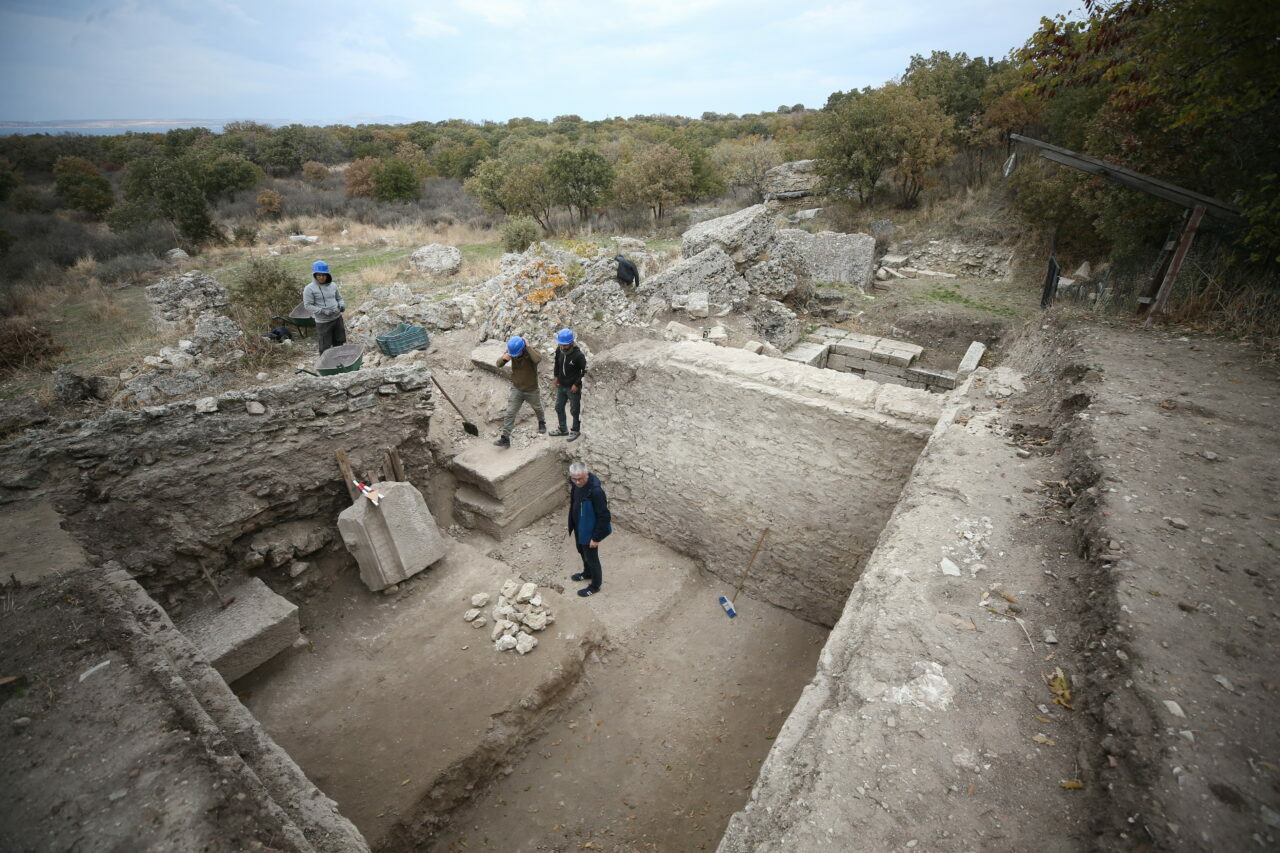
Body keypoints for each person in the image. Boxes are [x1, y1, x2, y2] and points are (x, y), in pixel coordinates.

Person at [493, 335, 546, 448]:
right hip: (517, 388)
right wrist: (504, 358)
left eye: (517, 353)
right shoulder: (512, 352)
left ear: (523, 348)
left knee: (537, 407)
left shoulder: (530, 353)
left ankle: (542, 422)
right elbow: (498, 364)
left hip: (531, 389)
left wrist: (528, 346)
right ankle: (505, 438)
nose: (515, 356)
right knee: (510, 413)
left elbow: (538, 359)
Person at [567, 460, 611, 596]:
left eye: (580, 479)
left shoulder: (596, 492)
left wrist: (596, 538)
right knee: (581, 551)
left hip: (589, 532)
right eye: (574, 479)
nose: (577, 482)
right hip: (579, 527)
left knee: (592, 558)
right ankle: (587, 573)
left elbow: (604, 516)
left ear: (586, 474)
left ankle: (595, 585)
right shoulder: (575, 484)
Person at [548, 328, 587, 442]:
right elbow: (557, 363)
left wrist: (577, 384)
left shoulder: (578, 355)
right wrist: (556, 376)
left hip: (573, 388)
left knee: (574, 410)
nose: (563, 347)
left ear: (571, 343)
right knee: (558, 407)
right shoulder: (559, 350)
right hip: (562, 385)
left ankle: (575, 430)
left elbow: (584, 371)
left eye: (565, 345)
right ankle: (563, 429)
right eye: (561, 344)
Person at [302, 260, 346, 354]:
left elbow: (339, 298)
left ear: (327, 275)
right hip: (323, 322)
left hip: (337, 318)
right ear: (314, 275)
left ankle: (338, 362)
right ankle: (325, 365)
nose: (321, 277)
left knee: (339, 341)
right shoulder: (309, 289)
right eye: (319, 275)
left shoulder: (333, 285)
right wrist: (322, 311)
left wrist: (342, 305)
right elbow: (308, 305)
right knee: (325, 346)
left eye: (324, 275)